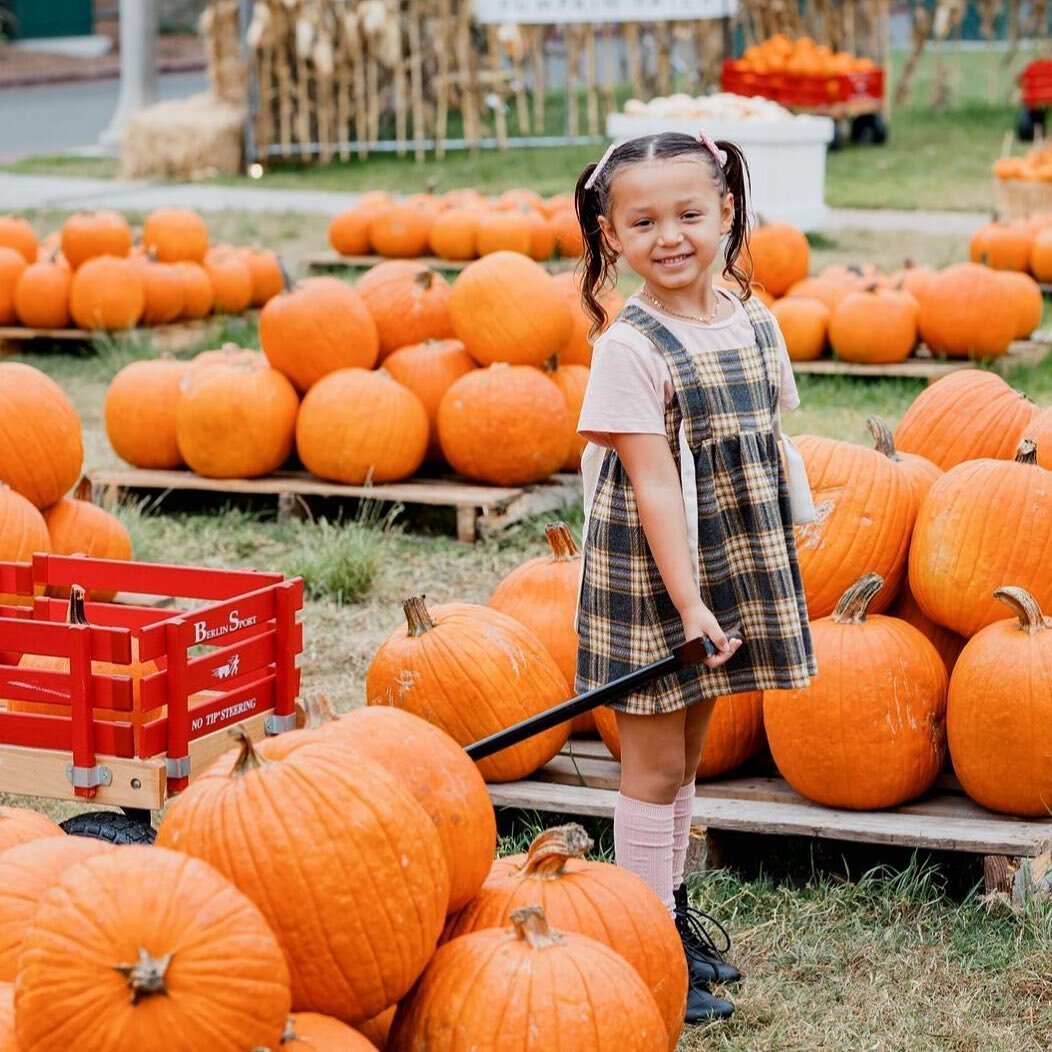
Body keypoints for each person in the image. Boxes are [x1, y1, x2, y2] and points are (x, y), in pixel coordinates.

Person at [573, 131, 816, 1025]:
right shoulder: (629, 348)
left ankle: (669, 920)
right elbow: (656, 485)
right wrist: (686, 602)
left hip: (729, 565)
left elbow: (767, 445)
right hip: (655, 578)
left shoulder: (753, 318)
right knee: (649, 765)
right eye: (643, 221)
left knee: (689, 759)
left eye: (688, 214)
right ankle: (644, 945)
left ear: (726, 214)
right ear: (612, 233)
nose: (668, 235)